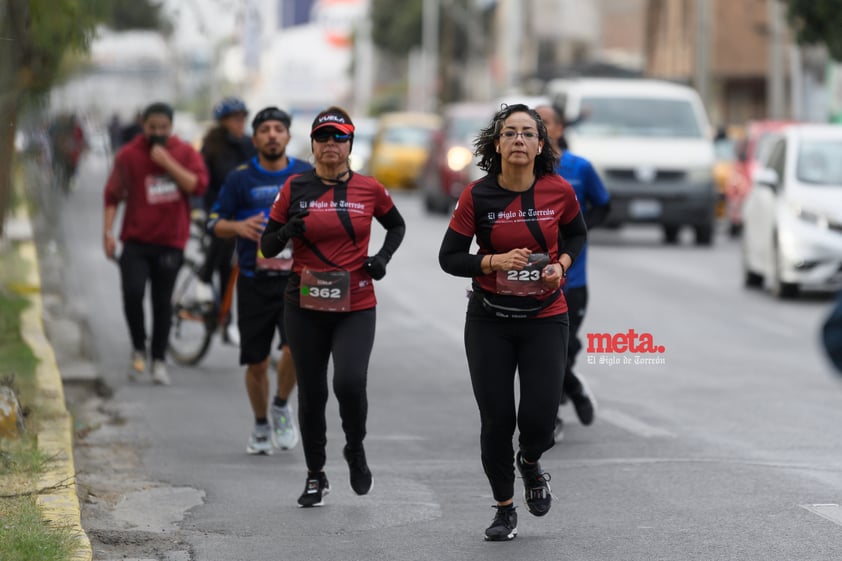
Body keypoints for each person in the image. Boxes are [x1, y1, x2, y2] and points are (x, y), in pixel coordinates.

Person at [438, 103, 587, 541]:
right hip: (490, 321)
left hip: (545, 317)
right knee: (497, 420)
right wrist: (492, 261)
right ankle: (504, 508)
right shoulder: (477, 196)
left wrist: (561, 263)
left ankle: (531, 462)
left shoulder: (559, 191)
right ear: (497, 144)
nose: (519, 140)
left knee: (539, 420)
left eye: (527, 133)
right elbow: (448, 257)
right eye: (510, 133)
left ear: (541, 144)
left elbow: (577, 233)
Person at [260, 106, 406, 507]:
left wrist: (382, 259)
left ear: (350, 145)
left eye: (339, 138)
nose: (330, 145)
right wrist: (289, 229)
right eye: (323, 138)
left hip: (356, 303)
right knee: (312, 393)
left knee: (349, 383)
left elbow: (397, 225)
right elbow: (267, 245)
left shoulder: (369, 189)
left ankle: (355, 448)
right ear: (312, 144)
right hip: (304, 305)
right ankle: (315, 474)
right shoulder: (294, 188)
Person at [207, 106, 311, 454]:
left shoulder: (304, 174)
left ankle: (281, 405)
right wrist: (238, 226)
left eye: (278, 129)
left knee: (295, 348)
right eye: (264, 129)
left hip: (297, 279)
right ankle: (261, 424)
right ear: (255, 139)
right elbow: (214, 222)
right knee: (256, 361)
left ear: (288, 136)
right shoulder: (239, 178)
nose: (271, 135)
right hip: (253, 279)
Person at [103, 102, 209, 385]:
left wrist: (167, 162)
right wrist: (108, 233)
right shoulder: (128, 155)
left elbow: (197, 186)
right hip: (136, 241)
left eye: (164, 128)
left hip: (170, 242)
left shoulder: (185, 153)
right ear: (143, 125)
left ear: (171, 127)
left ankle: (158, 360)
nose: (158, 132)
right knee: (132, 293)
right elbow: (112, 195)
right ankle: (139, 346)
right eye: (152, 128)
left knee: (163, 302)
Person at [536, 104, 610, 442]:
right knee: (540, 352)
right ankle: (552, 415)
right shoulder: (523, 171)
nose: (539, 129)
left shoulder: (579, 168)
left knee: (564, 348)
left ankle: (571, 385)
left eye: (545, 123)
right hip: (533, 281)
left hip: (573, 279)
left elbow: (604, 205)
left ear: (560, 128)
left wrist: (576, 234)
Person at [196, 97, 257, 344]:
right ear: (223, 122)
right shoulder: (211, 147)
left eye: (243, 118)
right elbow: (202, 182)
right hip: (217, 209)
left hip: (244, 210)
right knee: (221, 246)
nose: (240, 123)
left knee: (233, 267)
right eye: (235, 118)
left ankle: (226, 318)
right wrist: (199, 209)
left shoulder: (250, 145)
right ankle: (203, 277)